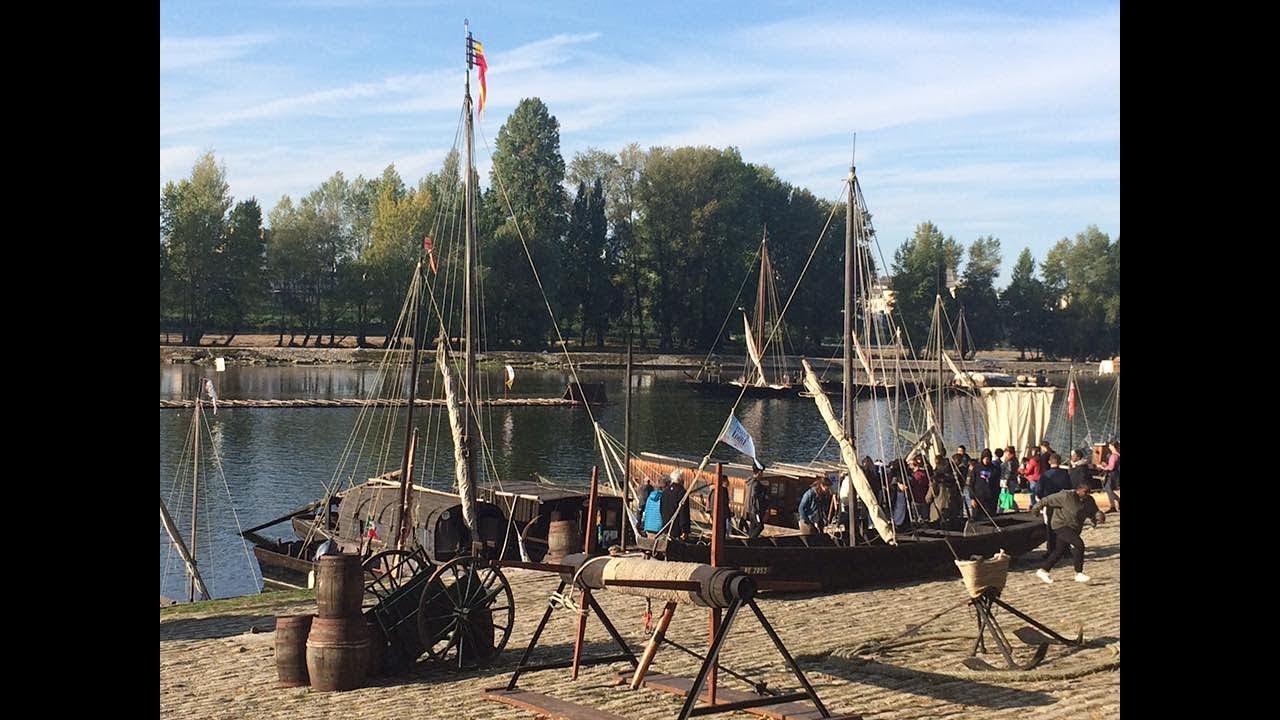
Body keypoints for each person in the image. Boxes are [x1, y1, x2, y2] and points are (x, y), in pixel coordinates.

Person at [1035, 479, 1105, 583]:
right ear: (1078, 490)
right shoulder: (1066, 496)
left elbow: (1093, 511)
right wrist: (1036, 508)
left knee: (1059, 551)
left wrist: (1098, 516)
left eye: (1089, 491)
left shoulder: (1089, 500)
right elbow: (1046, 500)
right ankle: (1078, 573)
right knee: (1079, 545)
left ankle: (1043, 570)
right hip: (1060, 525)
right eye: (1085, 492)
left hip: (1074, 528)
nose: (1087, 494)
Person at [659, 470, 691, 539]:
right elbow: (684, 512)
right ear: (681, 480)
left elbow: (661, 508)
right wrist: (685, 530)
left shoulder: (665, 491)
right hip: (677, 527)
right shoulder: (682, 492)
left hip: (665, 525)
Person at [742, 467, 768, 538]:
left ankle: (751, 538)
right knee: (760, 526)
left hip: (750, 510)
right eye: (761, 473)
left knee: (752, 526)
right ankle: (751, 539)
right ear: (759, 473)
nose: (762, 474)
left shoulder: (750, 483)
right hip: (754, 510)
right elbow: (753, 497)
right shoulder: (756, 484)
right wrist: (756, 508)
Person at [1099, 440, 1120, 513]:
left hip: (1111, 474)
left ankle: (1114, 504)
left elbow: (1111, 467)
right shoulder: (1118, 454)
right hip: (1116, 474)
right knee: (1109, 489)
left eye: (1110, 446)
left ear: (1112, 446)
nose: (1109, 447)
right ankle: (1114, 503)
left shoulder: (1113, 456)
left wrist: (1103, 467)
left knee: (1108, 489)